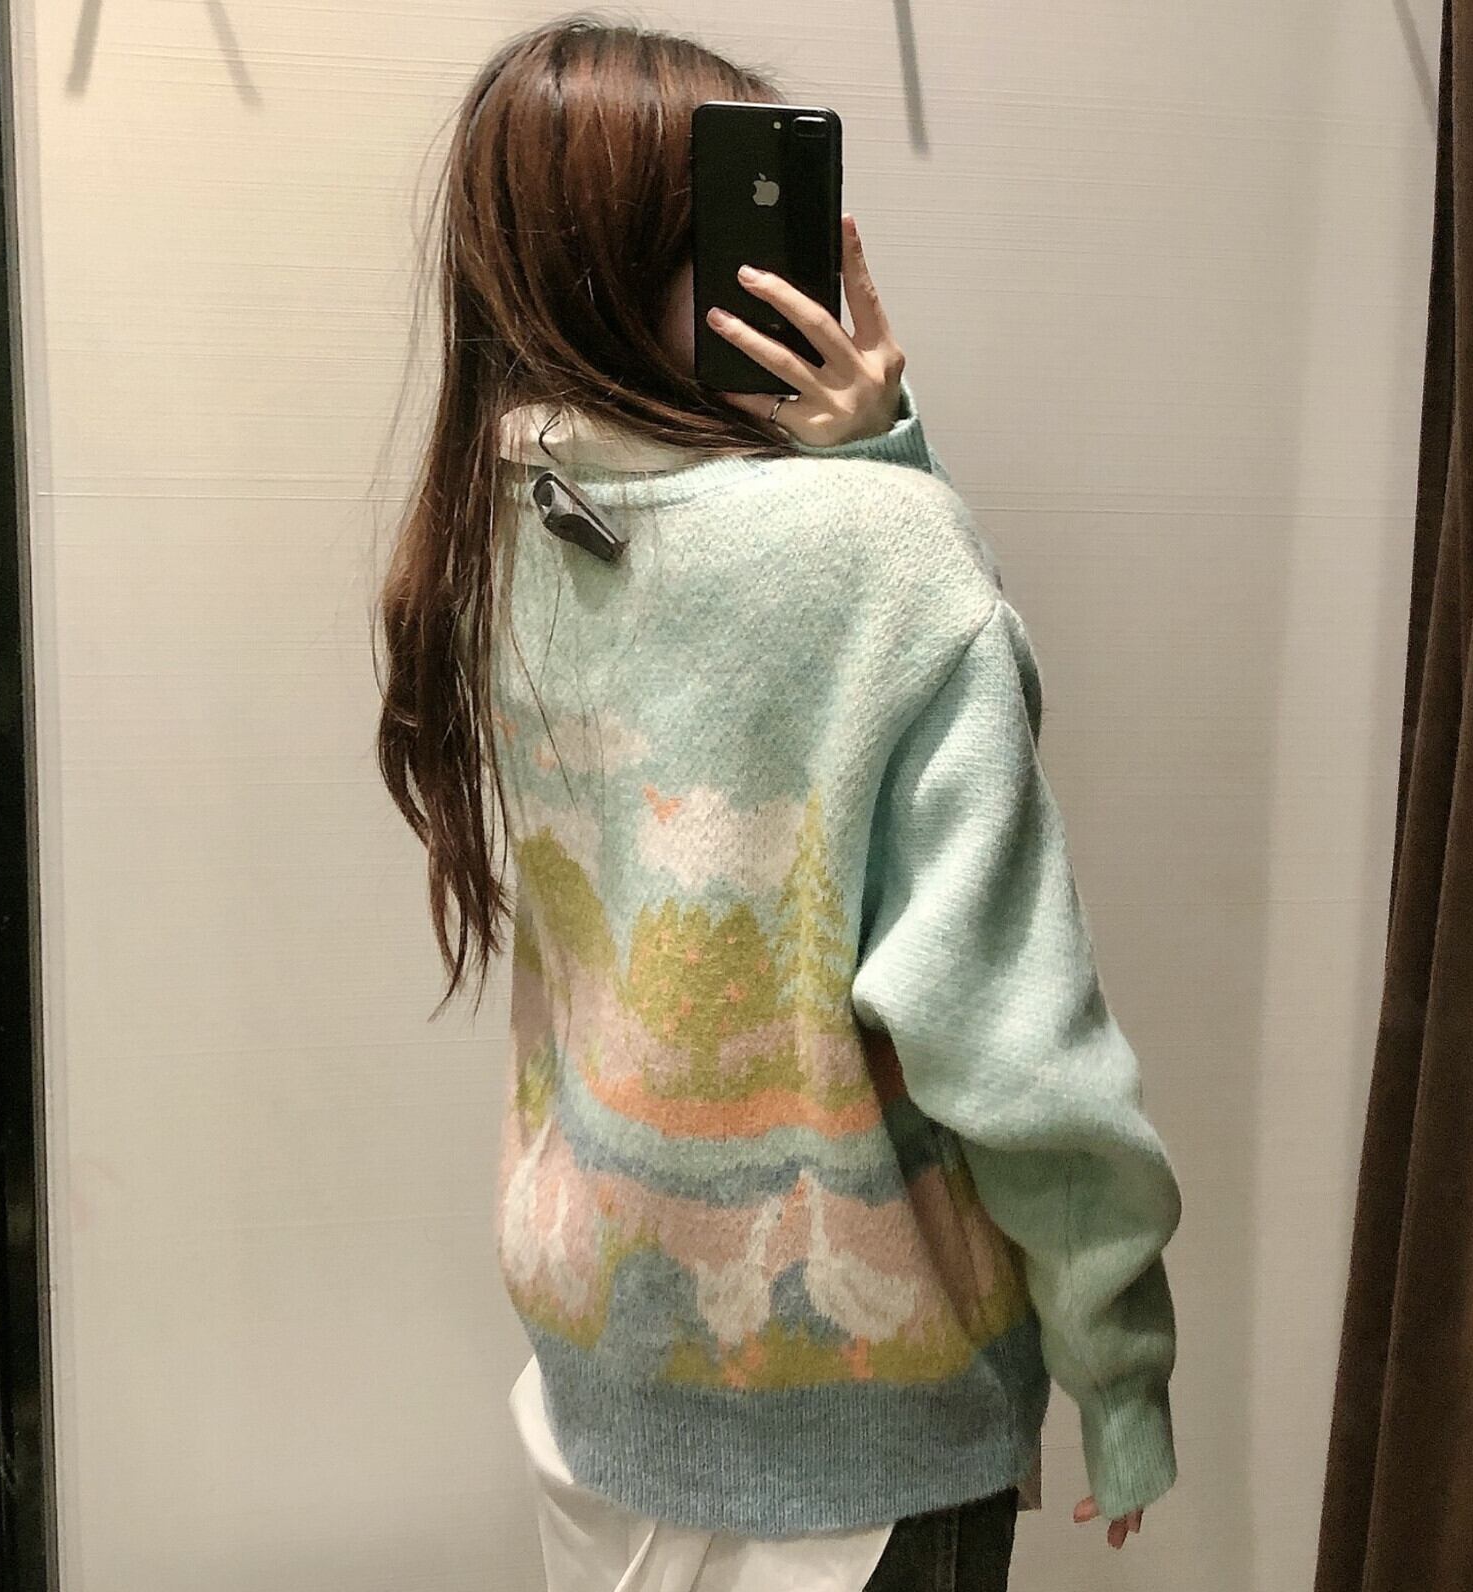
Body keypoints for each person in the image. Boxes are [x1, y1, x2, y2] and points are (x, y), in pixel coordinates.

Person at [374, 17, 1183, 1591]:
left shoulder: (493, 535)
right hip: (862, 1414)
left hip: (599, 1367)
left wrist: (875, 476)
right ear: (634, 263)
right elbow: (1007, 1027)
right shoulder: (881, 556)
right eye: (746, 228)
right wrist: (1121, 1361)